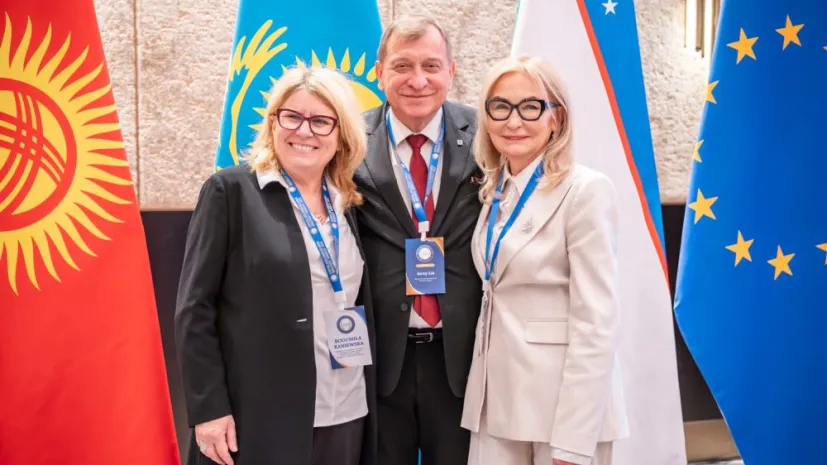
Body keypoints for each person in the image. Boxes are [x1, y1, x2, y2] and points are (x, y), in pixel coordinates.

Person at [175, 66, 378, 465]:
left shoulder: (351, 202)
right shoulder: (231, 192)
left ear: (341, 136)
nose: (304, 131)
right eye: (292, 117)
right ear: (273, 123)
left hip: (347, 408)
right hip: (261, 414)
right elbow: (194, 310)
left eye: (321, 121)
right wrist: (208, 410)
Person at [460, 55, 629, 465]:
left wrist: (573, 441)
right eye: (500, 106)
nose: (513, 121)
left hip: (561, 411)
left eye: (530, 106)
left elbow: (596, 324)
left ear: (557, 118)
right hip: (495, 401)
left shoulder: (586, 191)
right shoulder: (494, 192)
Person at [353, 16, 482, 465]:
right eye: (402, 66)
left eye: (431, 65)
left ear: (452, 70)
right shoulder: (346, 138)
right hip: (379, 357)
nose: (418, 80)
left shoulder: (489, 134)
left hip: (463, 356)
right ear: (379, 72)